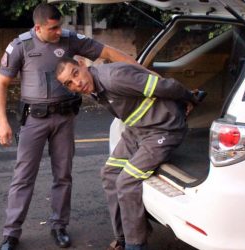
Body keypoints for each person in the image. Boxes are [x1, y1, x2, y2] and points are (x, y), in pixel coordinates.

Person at [0, 3, 137, 250]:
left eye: (60, 26)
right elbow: (1, 84)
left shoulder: (70, 40)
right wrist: (3, 123)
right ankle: (11, 234)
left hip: (64, 118)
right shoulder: (21, 46)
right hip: (34, 120)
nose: (59, 31)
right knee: (23, 177)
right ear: (38, 27)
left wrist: (141, 70)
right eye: (53, 28)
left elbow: (109, 53)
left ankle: (59, 226)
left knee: (63, 176)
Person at [55, 57, 203, 250]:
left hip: (164, 129)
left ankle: (135, 244)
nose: (77, 83)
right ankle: (123, 237)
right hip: (137, 130)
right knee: (109, 174)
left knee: (127, 181)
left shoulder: (114, 78)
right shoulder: (92, 87)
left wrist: (190, 99)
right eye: (69, 83)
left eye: (75, 73)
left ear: (83, 65)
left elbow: (166, 86)